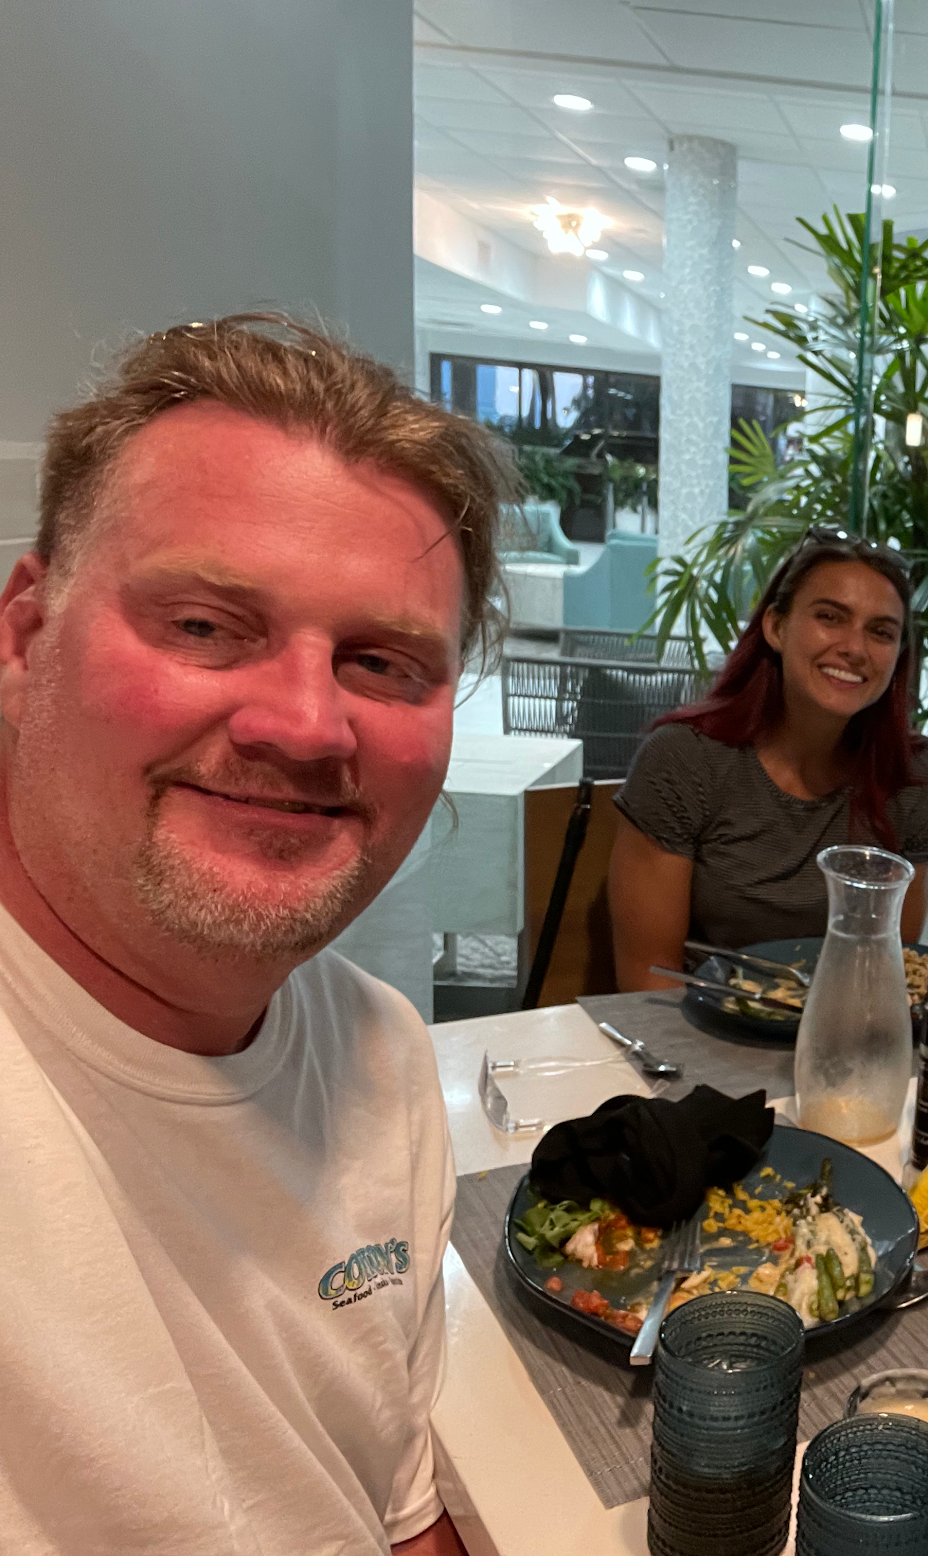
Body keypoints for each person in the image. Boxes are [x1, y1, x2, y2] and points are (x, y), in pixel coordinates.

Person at [0, 316, 499, 1553]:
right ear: (25, 634)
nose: (305, 724)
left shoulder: (382, 1053)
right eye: (204, 625)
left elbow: (392, 1500)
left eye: (381, 661)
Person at [610, 529, 928, 985]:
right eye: (830, 617)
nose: (854, 648)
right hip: (693, 1020)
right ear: (776, 627)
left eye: (881, 632)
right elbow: (648, 978)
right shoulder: (684, 760)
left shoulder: (918, 779)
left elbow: (891, 972)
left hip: (845, 1022)